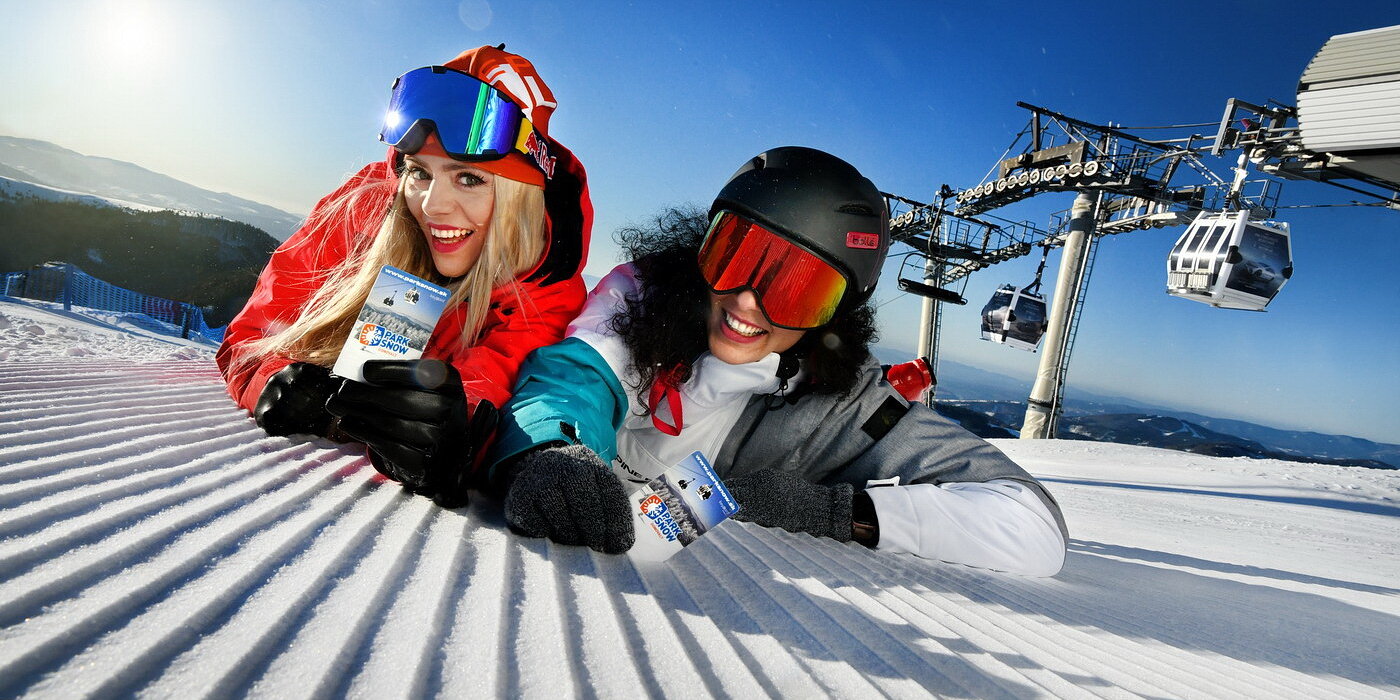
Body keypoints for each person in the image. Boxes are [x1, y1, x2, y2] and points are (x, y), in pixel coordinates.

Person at [490, 146, 1067, 576]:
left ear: (834, 315)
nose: (747, 302)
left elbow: (1030, 524)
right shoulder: (644, 299)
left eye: (797, 290)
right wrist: (550, 450)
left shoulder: (847, 406)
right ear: (703, 247)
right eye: (736, 256)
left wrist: (837, 513)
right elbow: (578, 376)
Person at [216, 46, 592, 508]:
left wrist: (454, 431)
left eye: (470, 178)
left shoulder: (544, 286)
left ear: (521, 193)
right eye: (419, 172)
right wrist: (272, 380)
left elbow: (500, 388)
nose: (432, 205)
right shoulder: (363, 213)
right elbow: (255, 333)